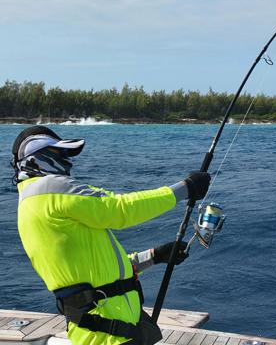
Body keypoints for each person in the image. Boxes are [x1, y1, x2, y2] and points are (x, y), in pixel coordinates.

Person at [11, 125, 211, 345]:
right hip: (110, 332)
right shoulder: (49, 188)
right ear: (37, 158)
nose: (68, 161)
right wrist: (185, 189)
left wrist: (154, 256)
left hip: (105, 331)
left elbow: (97, 274)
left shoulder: (31, 206)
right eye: (61, 154)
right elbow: (119, 209)